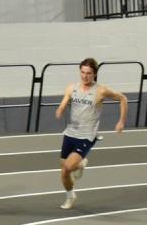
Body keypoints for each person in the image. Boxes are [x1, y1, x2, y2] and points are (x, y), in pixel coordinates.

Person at [54, 57, 127, 209]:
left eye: (88, 73)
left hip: (87, 135)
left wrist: (121, 121)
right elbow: (63, 102)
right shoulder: (71, 88)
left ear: (94, 74)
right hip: (70, 133)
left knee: (68, 167)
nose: (84, 76)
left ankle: (78, 164)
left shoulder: (101, 91)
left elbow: (122, 99)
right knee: (64, 171)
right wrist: (60, 110)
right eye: (82, 72)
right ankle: (70, 195)